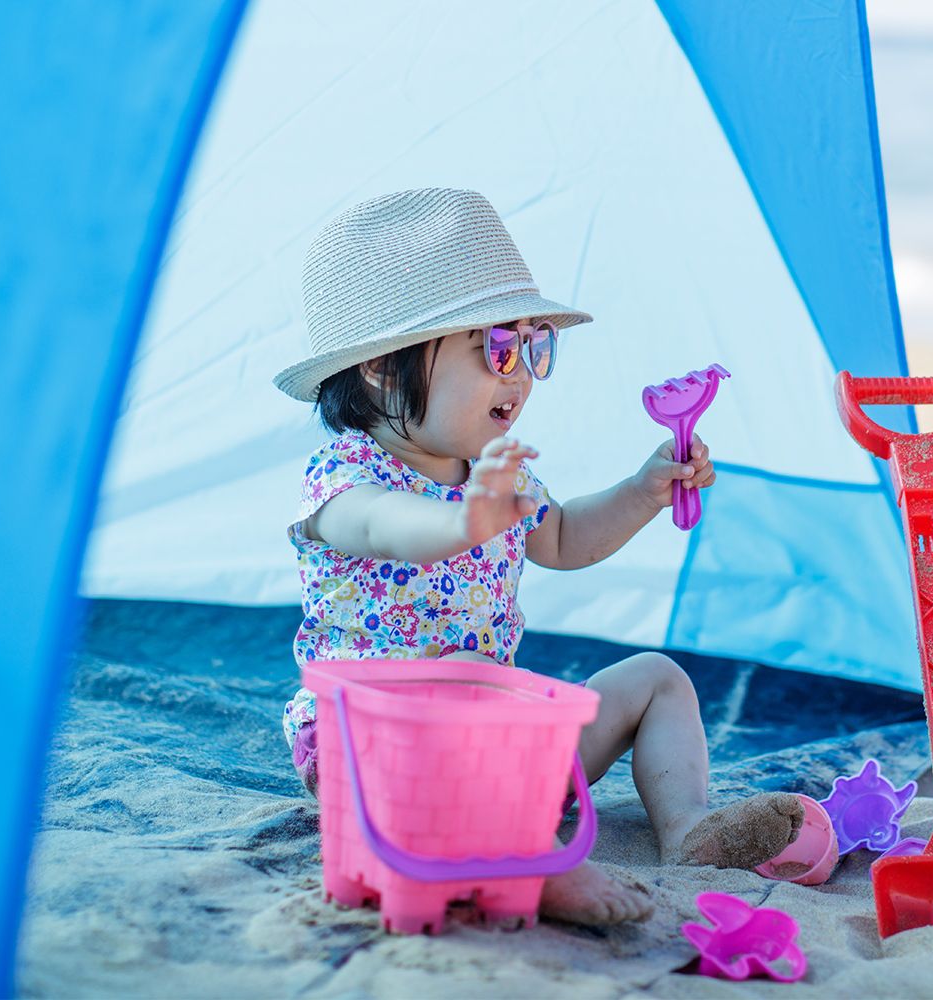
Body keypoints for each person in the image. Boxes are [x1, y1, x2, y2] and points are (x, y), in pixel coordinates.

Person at [273, 188, 803, 926]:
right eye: (494, 348)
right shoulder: (347, 477)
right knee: (449, 754)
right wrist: (465, 522)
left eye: (532, 346)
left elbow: (563, 538)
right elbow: (386, 528)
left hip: (501, 746)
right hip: (380, 758)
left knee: (657, 680)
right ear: (385, 371)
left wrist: (644, 491)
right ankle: (533, 866)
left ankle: (685, 828)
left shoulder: (499, 472)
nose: (519, 373)